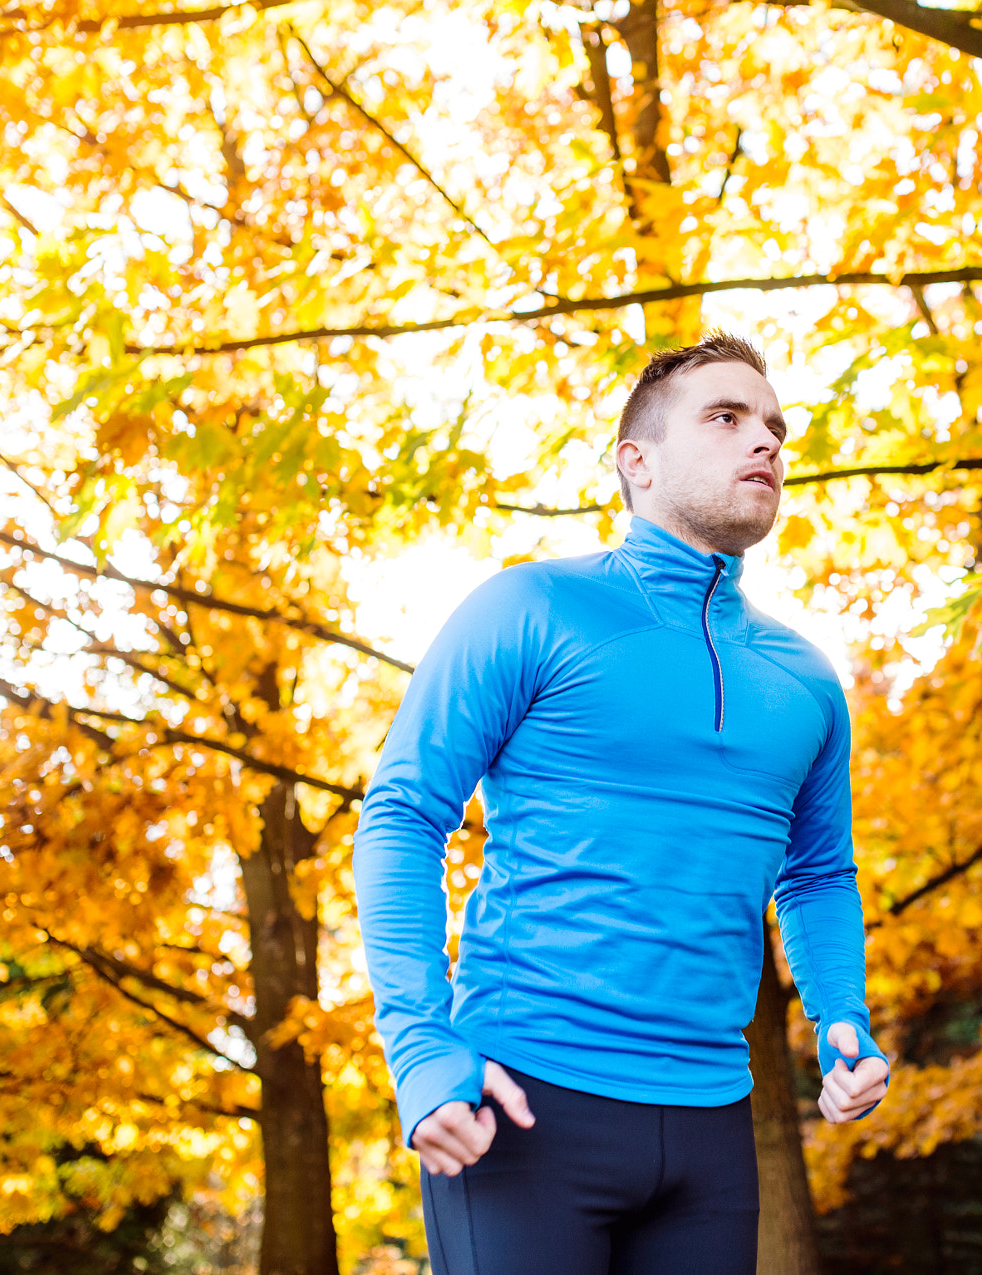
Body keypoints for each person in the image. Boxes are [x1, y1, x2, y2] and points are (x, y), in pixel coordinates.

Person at [353, 331, 889, 1275]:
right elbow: (402, 815)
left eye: (774, 426)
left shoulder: (805, 679)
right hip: (521, 1102)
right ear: (634, 462)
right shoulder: (529, 608)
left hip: (715, 1128)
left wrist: (841, 1013)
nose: (763, 441)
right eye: (725, 418)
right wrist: (419, 1045)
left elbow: (817, 873)